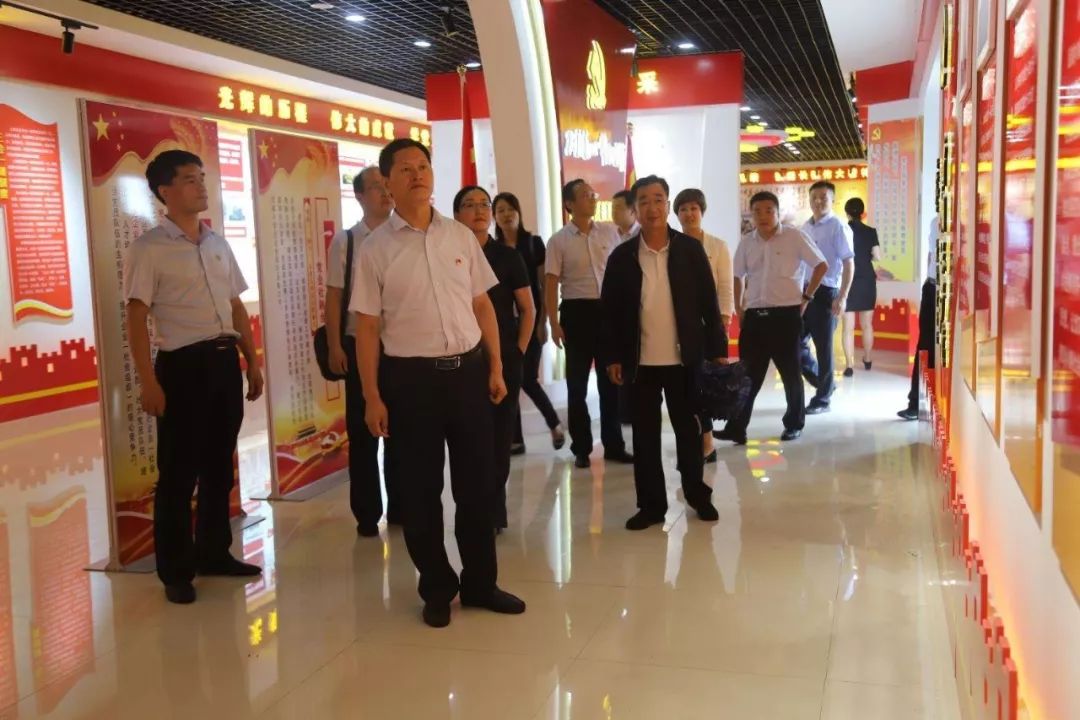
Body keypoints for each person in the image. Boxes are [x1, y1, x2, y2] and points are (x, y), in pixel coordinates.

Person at [351, 138, 525, 628]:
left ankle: (481, 583)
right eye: (405, 169)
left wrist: (495, 365)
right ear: (388, 182)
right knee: (420, 492)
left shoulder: (459, 237)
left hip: (468, 374)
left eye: (423, 166)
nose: (417, 175)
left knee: (478, 487)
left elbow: (482, 304)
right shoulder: (375, 249)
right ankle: (436, 588)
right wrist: (371, 396)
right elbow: (367, 327)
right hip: (410, 383)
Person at [124, 150, 264, 605]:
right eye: (189, 179)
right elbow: (136, 316)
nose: (201, 186)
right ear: (165, 191)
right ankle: (176, 570)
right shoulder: (149, 248)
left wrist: (252, 360)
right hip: (182, 368)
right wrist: (148, 382)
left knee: (219, 467)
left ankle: (214, 553)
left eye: (202, 177)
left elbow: (236, 307)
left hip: (224, 363)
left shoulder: (217, 243)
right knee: (179, 473)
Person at [602, 175, 727, 530]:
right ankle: (651, 505)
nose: (652, 207)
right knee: (644, 437)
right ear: (635, 209)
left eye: (658, 199)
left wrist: (717, 351)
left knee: (689, 433)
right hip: (639, 363)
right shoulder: (622, 256)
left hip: (684, 360)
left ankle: (697, 494)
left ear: (667, 205)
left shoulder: (689, 250)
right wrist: (612, 356)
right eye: (643, 201)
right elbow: (609, 312)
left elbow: (709, 303)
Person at [715, 191, 827, 444]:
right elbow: (738, 276)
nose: (763, 216)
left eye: (769, 211)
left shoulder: (794, 237)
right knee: (747, 376)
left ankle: (794, 424)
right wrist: (739, 307)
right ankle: (737, 427)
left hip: (785, 316)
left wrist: (807, 297)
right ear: (751, 214)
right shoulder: (747, 242)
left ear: (777, 212)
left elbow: (821, 265)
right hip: (755, 317)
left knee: (790, 374)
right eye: (757, 211)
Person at [455, 186, 536, 532]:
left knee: (500, 438)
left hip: (504, 358)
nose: (479, 211)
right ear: (456, 214)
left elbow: (528, 309)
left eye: (484, 205)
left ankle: (494, 511)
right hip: (462, 361)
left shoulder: (507, 256)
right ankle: (474, 510)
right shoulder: (449, 254)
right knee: (469, 440)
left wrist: (517, 351)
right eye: (469, 205)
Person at [325, 166, 396, 537]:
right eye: (376, 187)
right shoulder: (348, 241)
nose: (385, 193)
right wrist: (335, 344)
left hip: (400, 346)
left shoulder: (402, 236)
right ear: (359, 196)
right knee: (363, 430)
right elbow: (334, 296)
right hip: (358, 344)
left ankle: (401, 506)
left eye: (387, 186)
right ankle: (367, 513)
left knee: (402, 429)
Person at [546, 179, 632, 469]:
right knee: (577, 385)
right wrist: (553, 323)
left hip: (607, 312)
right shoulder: (558, 240)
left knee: (611, 383)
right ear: (569, 204)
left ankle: (614, 445)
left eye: (593, 194)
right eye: (585, 195)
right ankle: (581, 447)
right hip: (576, 314)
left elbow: (621, 273)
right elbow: (551, 283)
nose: (593, 199)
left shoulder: (609, 232)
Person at [493, 192, 565, 454]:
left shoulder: (533, 244)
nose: (506, 215)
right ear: (495, 217)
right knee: (509, 379)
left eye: (510, 209)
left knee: (526, 379)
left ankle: (554, 423)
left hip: (530, 321)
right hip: (503, 325)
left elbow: (544, 286)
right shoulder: (492, 250)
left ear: (519, 213)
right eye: (500, 210)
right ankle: (516, 439)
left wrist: (543, 322)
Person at [673, 187, 734, 463]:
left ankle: (707, 440)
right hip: (679, 325)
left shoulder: (717, 246)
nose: (689, 214)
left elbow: (725, 286)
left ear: (702, 212)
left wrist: (723, 323)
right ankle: (696, 437)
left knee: (705, 383)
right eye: (683, 209)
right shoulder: (672, 245)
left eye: (694, 208)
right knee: (685, 385)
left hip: (709, 325)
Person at [799, 181, 854, 414]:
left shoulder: (838, 226)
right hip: (804, 292)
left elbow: (849, 263)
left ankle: (823, 399)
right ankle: (825, 384)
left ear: (833, 200)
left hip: (826, 292)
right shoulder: (805, 227)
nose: (818, 201)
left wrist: (842, 297)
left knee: (824, 349)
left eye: (823, 197)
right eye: (814, 197)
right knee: (795, 344)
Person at [899, 217, 940, 421]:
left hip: (952, 293)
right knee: (924, 346)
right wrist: (927, 280)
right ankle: (916, 403)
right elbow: (931, 254)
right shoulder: (936, 221)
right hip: (932, 288)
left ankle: (937, 404)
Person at [841, 197, 880, 376]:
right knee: (867, 325)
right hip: (866, 280)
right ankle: (867, 358)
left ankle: (849, 365)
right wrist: (866, 257)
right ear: (863, 213)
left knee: (848, 327)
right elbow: (877, 256)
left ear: (847, 213)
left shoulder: (842, 231)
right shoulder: (870, 231)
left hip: (847, 280)